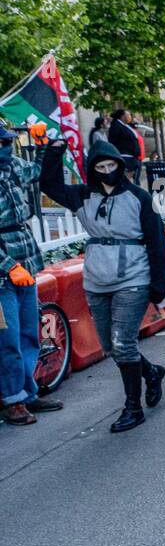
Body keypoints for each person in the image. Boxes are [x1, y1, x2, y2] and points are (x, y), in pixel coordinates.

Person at [41, 139, 165, 433]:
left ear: (120, 165)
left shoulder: (138, 197)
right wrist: (54, 151)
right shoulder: (83, 195)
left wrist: (158, 285)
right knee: (112, 346)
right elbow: (48, 185)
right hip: (97, 279)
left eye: (112, 165)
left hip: (133, 278)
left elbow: (157, 243)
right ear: (93, 169)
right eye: (101, 166)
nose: (107, 171)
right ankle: (151, 373)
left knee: (124, 343)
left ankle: (132, 408)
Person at [0, 123, 64, 425]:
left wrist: (41, 147)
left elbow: (34, 172)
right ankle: (12, 400)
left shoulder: (11, 166)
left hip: (26, 259)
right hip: (4, 273)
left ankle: (28, 393)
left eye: (6, 141)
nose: (4, 145)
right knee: (7, 339)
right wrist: (7, 265)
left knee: (28, 333)